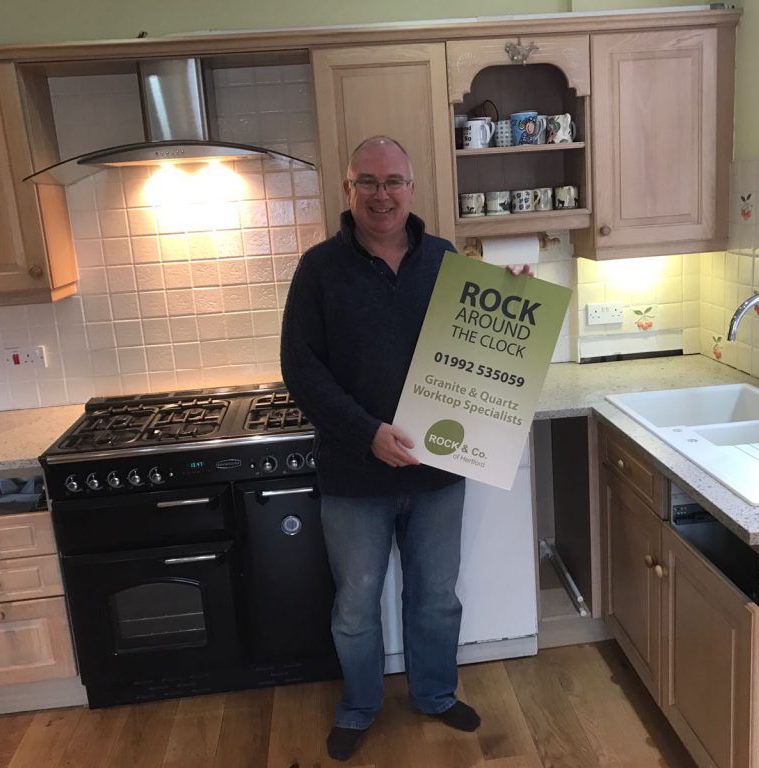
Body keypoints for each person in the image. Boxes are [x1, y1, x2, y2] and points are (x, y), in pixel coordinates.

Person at [281, 135, 529, 761]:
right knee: (357, 604)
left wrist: (514, 297)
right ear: (349, 190)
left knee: (436, 596)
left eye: (393, 182)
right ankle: (360, 706)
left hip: (437, 470)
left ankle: (436, 695)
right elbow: (301, 371)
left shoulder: (445, 260)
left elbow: (480, 343)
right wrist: (368, 432)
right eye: (368, 182)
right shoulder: (318, 269)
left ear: (411, 189)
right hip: (353, 475)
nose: (381, 195)